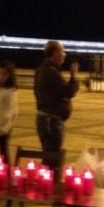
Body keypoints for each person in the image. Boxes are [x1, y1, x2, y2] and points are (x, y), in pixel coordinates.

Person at [34, 40, 79, 176]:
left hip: (46, 119)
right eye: (62, 51)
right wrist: (73, 76)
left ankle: (46, 185)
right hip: (51, 122)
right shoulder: (50, 72)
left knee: (49, 156)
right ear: (54, 53)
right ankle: (49, 188)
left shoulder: (42, 69)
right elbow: (69, 92)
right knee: (52, 159)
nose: (64, 55)